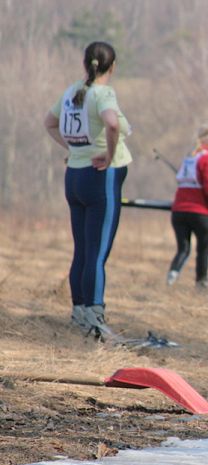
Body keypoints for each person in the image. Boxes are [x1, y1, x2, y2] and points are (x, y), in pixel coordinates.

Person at [44, 41, 132, 341]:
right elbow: (111, 124)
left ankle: (79, 312)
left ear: (86, 63)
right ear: (113, 65)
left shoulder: (72, 92)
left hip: (75, 178)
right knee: (96, 252)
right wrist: (108, 155)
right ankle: (94, 316)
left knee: (82, 249)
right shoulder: (103, 93)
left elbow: (50, 123)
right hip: (99, 179)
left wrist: (74, 148)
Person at [166, 126, 208, 288]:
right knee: (203, 250)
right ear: (204, 139)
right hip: (200, 213)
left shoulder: (190, 157)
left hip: (178, 211)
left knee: (183, 249)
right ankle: (201, 282)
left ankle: (172, 276)